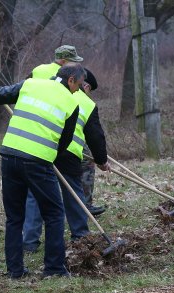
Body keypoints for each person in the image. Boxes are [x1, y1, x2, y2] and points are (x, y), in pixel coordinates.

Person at [0, 64, 85, 278]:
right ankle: (54, 268)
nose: (79, 90)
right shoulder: (71, 102)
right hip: (38, 162)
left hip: (9, 156)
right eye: (79, 84)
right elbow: (64, 142)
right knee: (55, 214)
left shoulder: (30, 84)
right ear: (70, 81)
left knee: (14, 218)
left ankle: (15, 271)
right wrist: (49, 157)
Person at [24, 69, 110, 244]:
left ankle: (29, 241)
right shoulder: (87, 103)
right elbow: (95, 136)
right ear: (85, 85)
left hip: (41, 147)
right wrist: (102, 161)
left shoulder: (49, 89)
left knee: (36, 193)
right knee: (74, 194)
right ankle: (81, 236)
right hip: (67, 153)